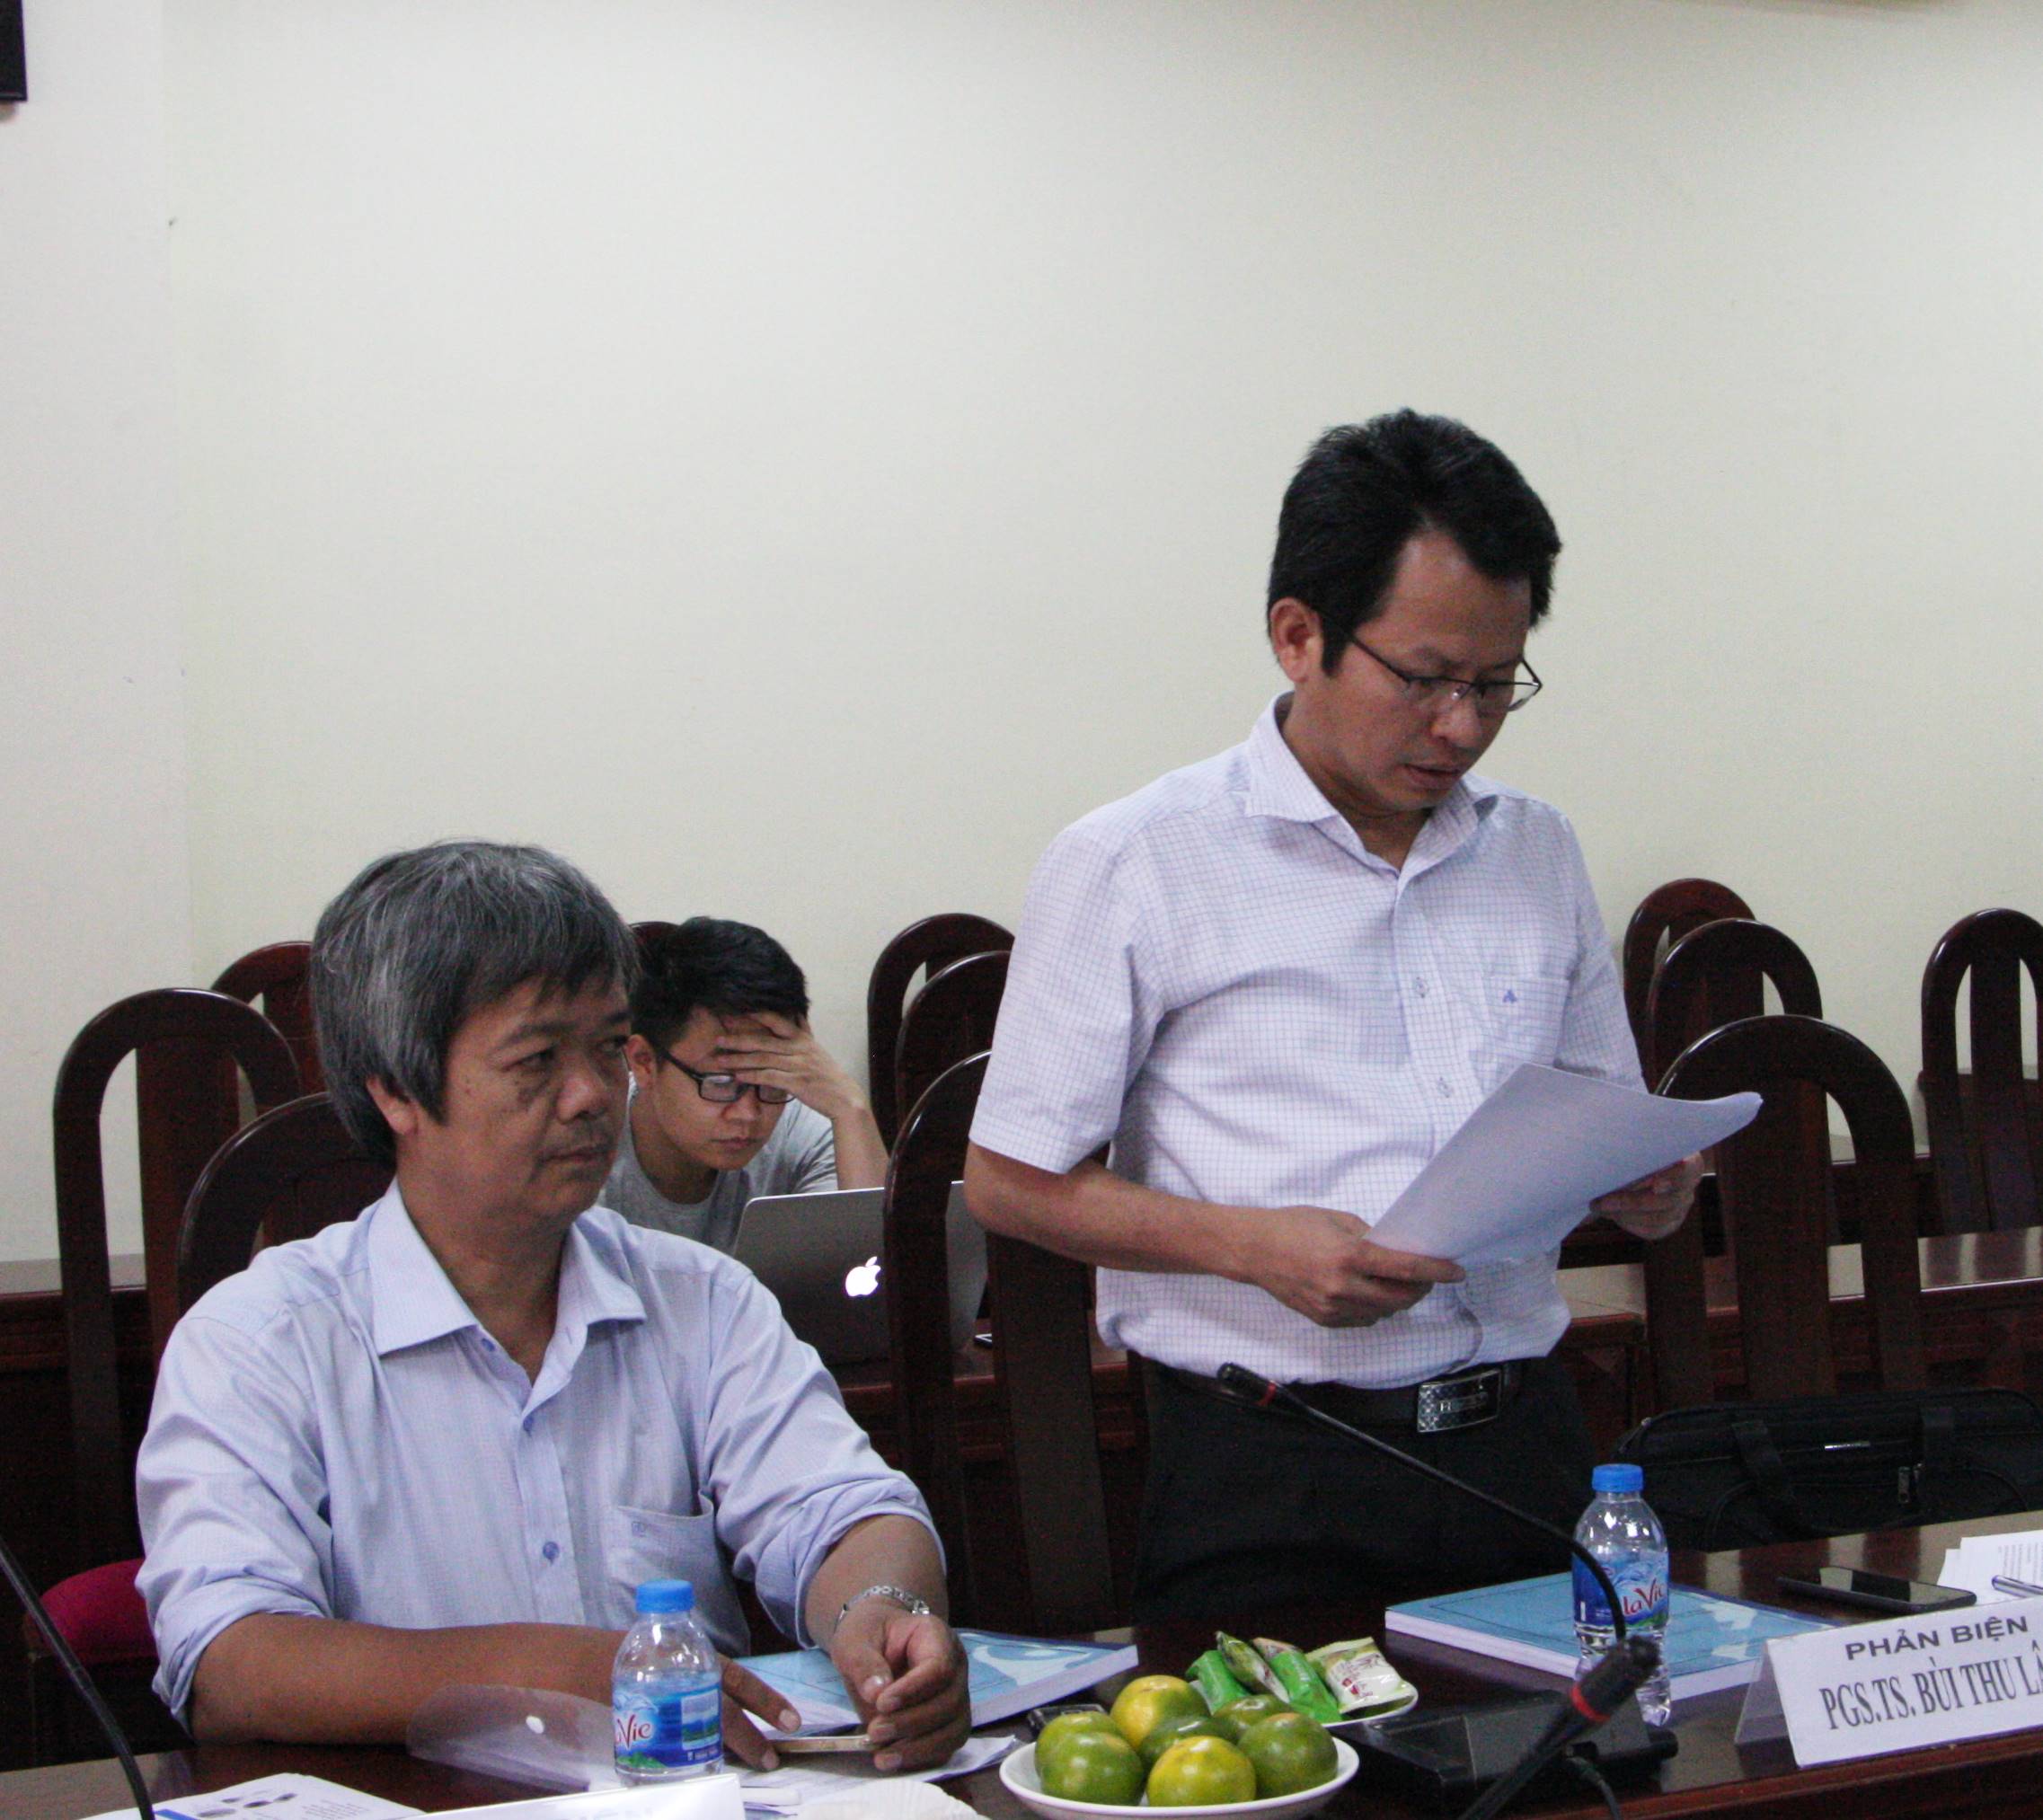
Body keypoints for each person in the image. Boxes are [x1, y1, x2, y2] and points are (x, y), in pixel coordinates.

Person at [964, 411, 1701, 1616]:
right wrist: (1251, 1247)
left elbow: (1597, 1115)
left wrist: (1646, 1183)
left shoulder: (1535, 849)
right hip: (1274, 1465)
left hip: (1525, 1444)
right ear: (1297, 635)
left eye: (1495, 684)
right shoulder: (1139, 861)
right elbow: (1007, 1181)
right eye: (1423, 679)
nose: (1460, 725)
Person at [137, 842, 967, 1768]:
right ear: (397, 1089)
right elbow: (230, 1662)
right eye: (536, 1059)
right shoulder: (260, 1340)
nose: (591, 1096)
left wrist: (884, 1610)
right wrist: (549, 1669)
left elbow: (846, 1508)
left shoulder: (703, 1300)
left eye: (608, 1048)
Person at [601, 918, 888, 1250]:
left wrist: (851, 1108)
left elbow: (873, 1263)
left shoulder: (801, 1135)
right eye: (721, 1083)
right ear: (644, 1062)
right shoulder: (585, 1153)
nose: (748, 1114)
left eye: (770, 1080)